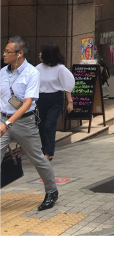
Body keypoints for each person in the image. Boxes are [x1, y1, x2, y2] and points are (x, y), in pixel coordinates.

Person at [1, 36, 59, 211]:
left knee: (38, 159)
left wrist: (8, 123)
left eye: (7, 51)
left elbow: (27, 103)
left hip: (24, 123)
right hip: (3, 120)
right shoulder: (3, 72)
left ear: (19, 54)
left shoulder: (32, 73)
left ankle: (52, 191)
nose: (3, 54)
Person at [35, 43, 75, 161]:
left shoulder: (60, 69)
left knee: (49, 125)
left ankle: (49, 152)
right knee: (41, 126)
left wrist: (70, 102)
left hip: (55, 100)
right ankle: (45, 150)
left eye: (42, 52)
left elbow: (67, 84)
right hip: (40, 99)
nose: (39, 54)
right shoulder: (37, 68)